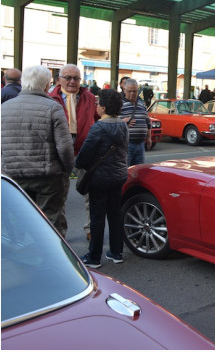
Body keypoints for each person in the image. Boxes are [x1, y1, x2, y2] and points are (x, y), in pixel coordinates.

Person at [1, 65, 74, 236]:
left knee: (21, 221)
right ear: (46, 85)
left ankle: (26, 257)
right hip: (48, 177)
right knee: (51, 223)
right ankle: (54, 259)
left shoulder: (3, 108)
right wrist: (67, 169)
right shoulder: (53, 108)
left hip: (14, 176)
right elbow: (64, 147)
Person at [75, 88, 128, 269]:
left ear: (103, 108)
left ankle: (94, 257)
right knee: (115, 214)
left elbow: (84, 156)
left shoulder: (98, 127)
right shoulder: (123, 125)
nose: (96, 106)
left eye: (98, 104)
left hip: (99, 178)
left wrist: (78, 164)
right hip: (119, 175)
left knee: (97, 217)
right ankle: (116, 252)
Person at [49, 64, 100, 240]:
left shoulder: (90, 97)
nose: (72, 81)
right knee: (59, 193)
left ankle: (90, 228)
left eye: (76, 78)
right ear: (59, 79)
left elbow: (99, 118)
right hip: (59, 151)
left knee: (90, 192)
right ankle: (59, 232)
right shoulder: (50, 98)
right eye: (68, 77)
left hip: (84, 150)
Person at [120, 79, 152, 166]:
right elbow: (112, 121)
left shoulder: (141, 104)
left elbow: (148, 122)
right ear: (124, 90)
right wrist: (123, 121)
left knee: (139, 171)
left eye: (135, 91)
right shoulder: (119, 104)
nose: (132, 93)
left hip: (141, 144)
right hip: (127, 145)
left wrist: (149, 138)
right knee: (126, 171)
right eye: (129, 91)